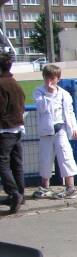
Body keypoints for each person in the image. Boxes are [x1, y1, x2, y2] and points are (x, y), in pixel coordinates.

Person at [33, 65, 77, 200]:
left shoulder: (64, 94)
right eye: (47, 77)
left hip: (60, 129)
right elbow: (41, 108)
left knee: (65, 155)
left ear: (58, 79)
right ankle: (45, 186)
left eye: (53, 78)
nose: (50, 81)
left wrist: (74, 128)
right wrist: (48, 93)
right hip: (46, 131)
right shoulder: (39, 92)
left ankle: (70, 187)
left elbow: (69, 112)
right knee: (45, 158)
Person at [0, 52, 26, 214]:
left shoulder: (1, 84)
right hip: (17, 127)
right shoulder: (14, 83)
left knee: (2, 162)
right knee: (16, 163)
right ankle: (20, 193)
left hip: (5, 128)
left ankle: (13, 193)